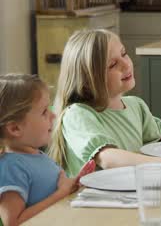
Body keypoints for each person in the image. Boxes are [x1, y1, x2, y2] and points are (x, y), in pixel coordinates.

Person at [47, 29, 161, 177]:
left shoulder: (135, 105)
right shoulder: (78, 114)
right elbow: (107, 157)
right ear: (86, 81)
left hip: (131, 194)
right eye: (112, 64)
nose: (126, 64)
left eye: (123, 53)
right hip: (94, 203)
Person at [0, 74, 92, 225]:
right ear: (15, 128)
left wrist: (72, 185)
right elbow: (13, 222)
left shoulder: (37, 156)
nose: (53, 115)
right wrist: (61, 193)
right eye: (44, 112)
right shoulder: (11, 168)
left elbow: (47, 192)